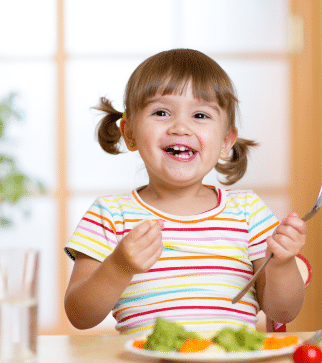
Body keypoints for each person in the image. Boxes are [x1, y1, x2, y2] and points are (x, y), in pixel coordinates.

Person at [64, 49, 307, 337]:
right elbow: (79, 315)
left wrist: (282, 263)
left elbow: (283, 312)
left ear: (226, 140)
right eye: (161, 112)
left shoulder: (248, 211)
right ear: (129, 133)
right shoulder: (110, 215)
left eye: (200, 115)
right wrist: (119, 266)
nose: (180, 127)